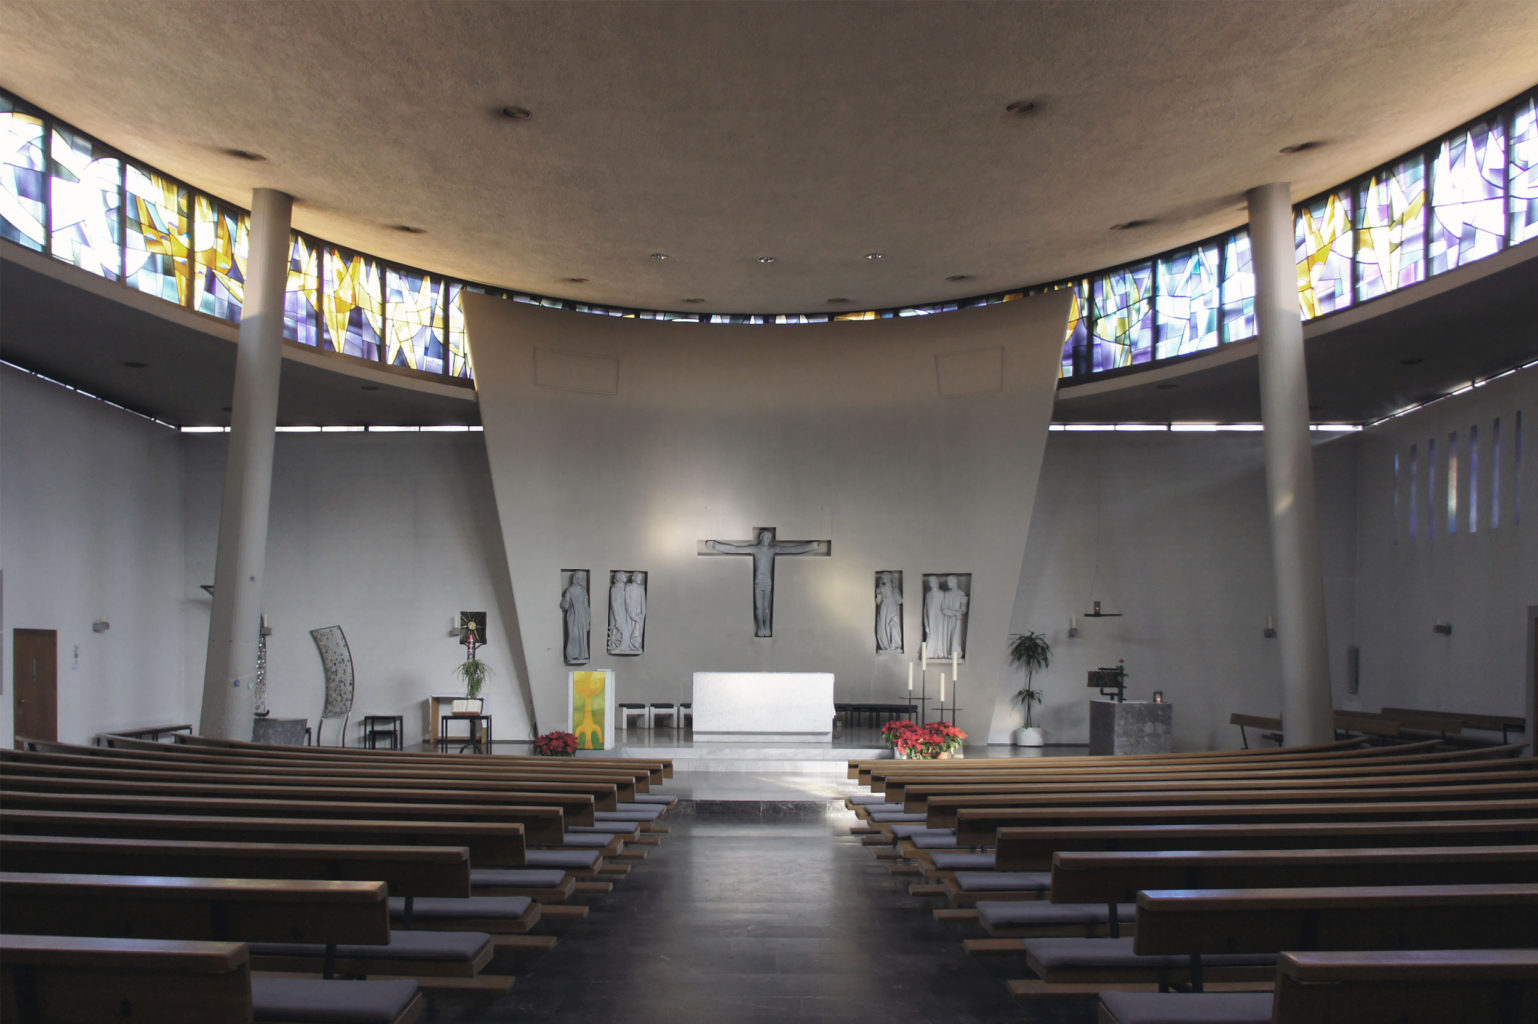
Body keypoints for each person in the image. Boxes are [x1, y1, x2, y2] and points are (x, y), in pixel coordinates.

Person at [560, 570, 590, 664]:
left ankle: (581, 654)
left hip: (582, 615)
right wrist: (565, 602)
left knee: (581, 635)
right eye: (580, 578)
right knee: (574, 635)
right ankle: (571, 655)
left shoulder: (583, 591)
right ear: (576, 578)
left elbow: (586, 606)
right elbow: (565, 605)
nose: (581, 580)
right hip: (573, 615)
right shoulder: (570, 590)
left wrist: (587, 620)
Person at [941, 574, 968, 657]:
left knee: (956, 635)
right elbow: (944, 608)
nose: (948, 583)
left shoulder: (961, 593)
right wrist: (954, 613)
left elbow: (964, 607)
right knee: (947, 635)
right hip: (948, 618)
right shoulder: (946, 594)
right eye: (948, 581)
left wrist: (961, 611)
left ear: (955, 582)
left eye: (950, 581)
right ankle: (948, 652)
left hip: (957, 619)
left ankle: (955, 653)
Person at [875, 572, 902, 652]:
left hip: (891, 608)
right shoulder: (880, 589)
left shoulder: (894, 589)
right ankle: (884, 645)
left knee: (892, 624)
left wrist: (894, 591)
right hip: (883, 609)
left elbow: (900, 600)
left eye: (885, 578)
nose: (883, 581)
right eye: (882, 579)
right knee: (881, 626)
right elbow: (878, 602)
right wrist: (878, 593)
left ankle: (894, 645)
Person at [624, 571, 647, 652]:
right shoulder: (628, 588)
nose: (640, 579)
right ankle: (628, 646)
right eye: (638, 577)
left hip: (639, 613)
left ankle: (636, 645)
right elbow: (627, 601)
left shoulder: (641, 589)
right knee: (629, 629)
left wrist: (642, 614)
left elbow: (643, 603)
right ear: (633, 578)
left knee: (637, 631)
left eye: (640, 577)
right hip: (630, 612)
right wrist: (631, 614)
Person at [608, 570, 629, 653]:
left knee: (624, 630)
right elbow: (614, 603)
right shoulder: (615, 588)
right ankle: (619, 647)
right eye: (623, 575)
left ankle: (622, 646)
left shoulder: (622, 588)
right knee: (622, 631)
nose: (625, 577)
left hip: (622, 613)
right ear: (619, 578)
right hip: (617, 613)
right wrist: (617, 618)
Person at [923, 575, 944, 654]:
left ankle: (938, 652)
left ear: (936, 582)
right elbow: (925, 610)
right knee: (930, 635)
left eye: (931, 581)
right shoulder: (928, 595)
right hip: (930, 620)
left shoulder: (941, 594)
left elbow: (944, 607)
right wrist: (926, 624)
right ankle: (929, 653)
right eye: (929, 581)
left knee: (939, 636)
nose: (930, 583)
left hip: (939, 619)